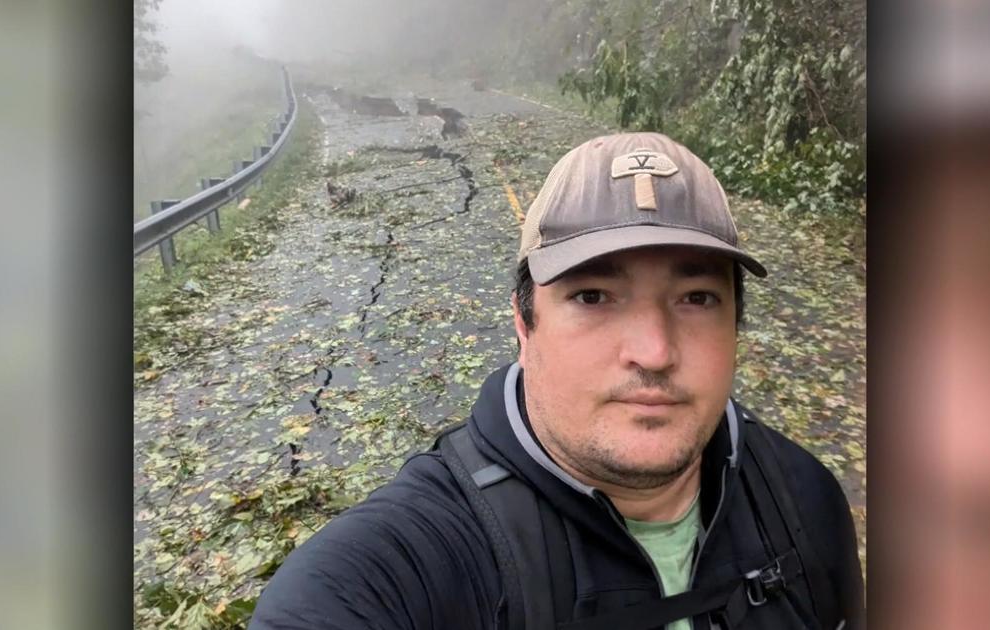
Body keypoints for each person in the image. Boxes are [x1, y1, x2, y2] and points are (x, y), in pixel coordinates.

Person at [251, 132, 864, 630]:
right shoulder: (410, 561)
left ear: (737, 327)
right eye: (593, 295)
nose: (653, 352)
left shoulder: (803, 500)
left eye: (696, 297)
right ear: (524, 324)